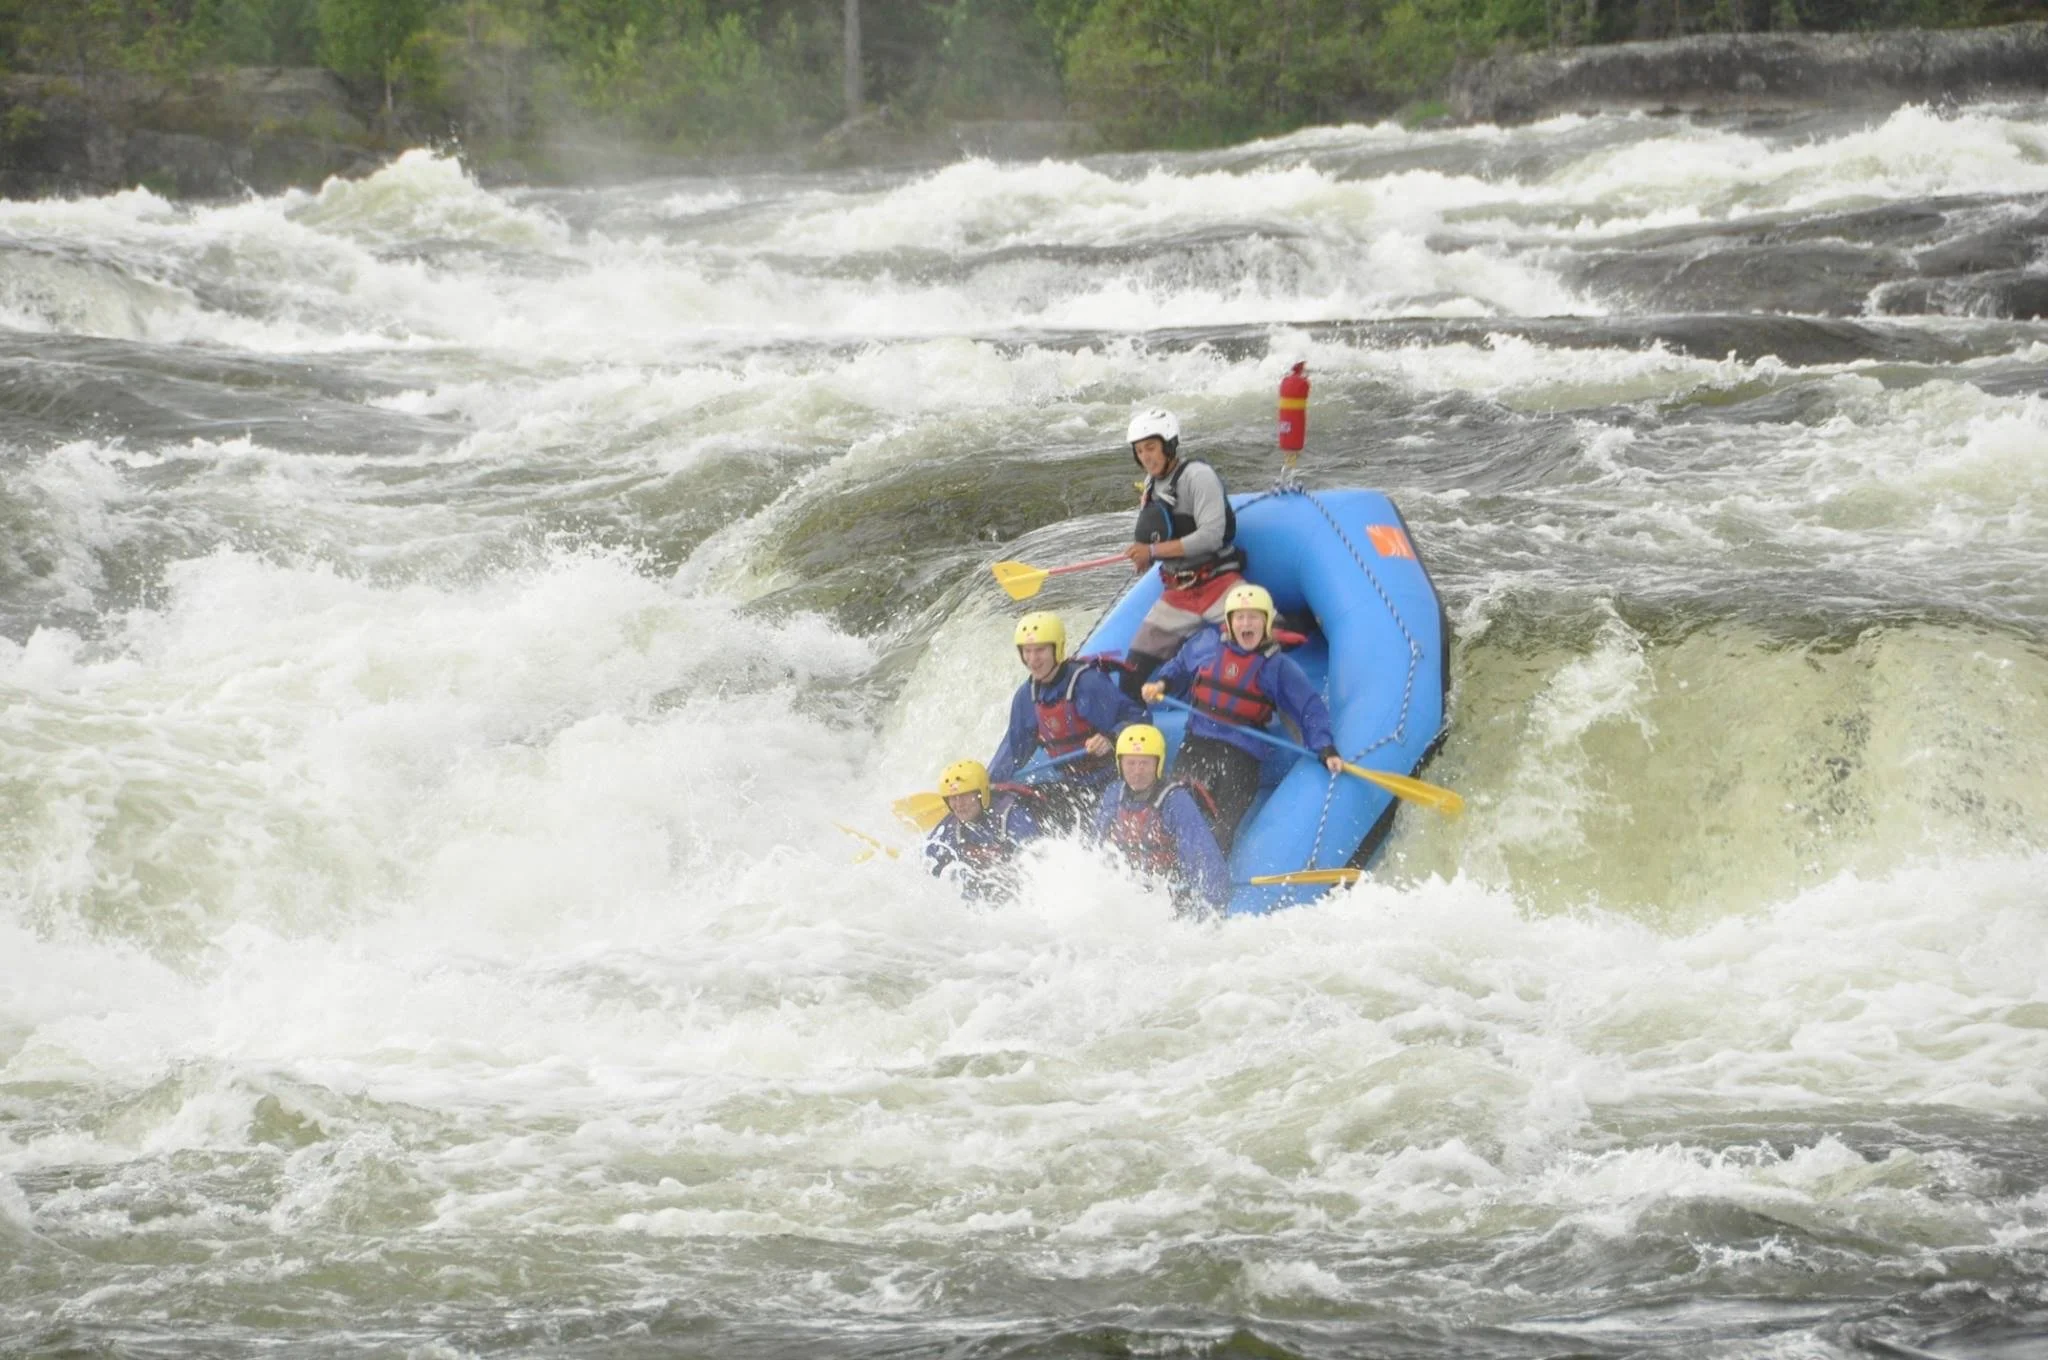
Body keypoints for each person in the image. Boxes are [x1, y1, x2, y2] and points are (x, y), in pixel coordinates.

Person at [1141, 582, 1343, 853]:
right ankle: (1165, 864)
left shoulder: (1277, 667)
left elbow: (1309, 708)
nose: (1246, 624)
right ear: (1229, 622)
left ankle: (1211, 875)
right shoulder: (1207, 645)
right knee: (1177, 809)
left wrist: (1325, 748)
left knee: (1221, 825)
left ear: (1266, 622)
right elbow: (1178, 666)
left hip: (1242, 753)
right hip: (1198, 741)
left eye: (1254, 617)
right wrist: (1162, 684)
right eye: (1240, 617)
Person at [1119, 407, 1247, 698]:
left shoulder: (1198, 476)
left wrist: (1152, 551)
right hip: (1178, 593)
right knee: (1130, 676)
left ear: (1168, 445)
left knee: (1268, 644)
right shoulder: (1150, 486)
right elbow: (1159, 538)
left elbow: (1211, 537)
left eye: (1151, 448)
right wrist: (1146, 558)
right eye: (1139, 451)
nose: (1145, 457)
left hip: (1218, 582)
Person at [987, 611, 1148, 833]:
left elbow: (1139, 718)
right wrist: (984, 787)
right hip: (1072, 783)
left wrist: (1112, 738)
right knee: (1025, 809)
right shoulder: (1026, 697)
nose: (1033, 660)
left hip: (1112, 778)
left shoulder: (1088, 683)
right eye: (1027, 651)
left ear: (1057, 649)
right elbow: (1013, 750)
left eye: (1040, 650)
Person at [1092, 724, 1228, 918]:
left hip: (1168, 892)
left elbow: (1202, 855)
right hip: (1126, 891)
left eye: (1144, 763)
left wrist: (1212, 906)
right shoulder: (1114, 794)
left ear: (1158, 764)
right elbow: (1094, 845)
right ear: (1119, 764)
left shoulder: (1175, 800)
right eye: (1131, 763)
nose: (1137, 771)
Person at [923, 759, 1041, 902]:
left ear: (981, 794)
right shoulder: (950, 828)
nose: (958, 804)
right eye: (953, 798)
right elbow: (927, 865)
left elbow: (1037, 865)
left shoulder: (1013, 816)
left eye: (965, 796)